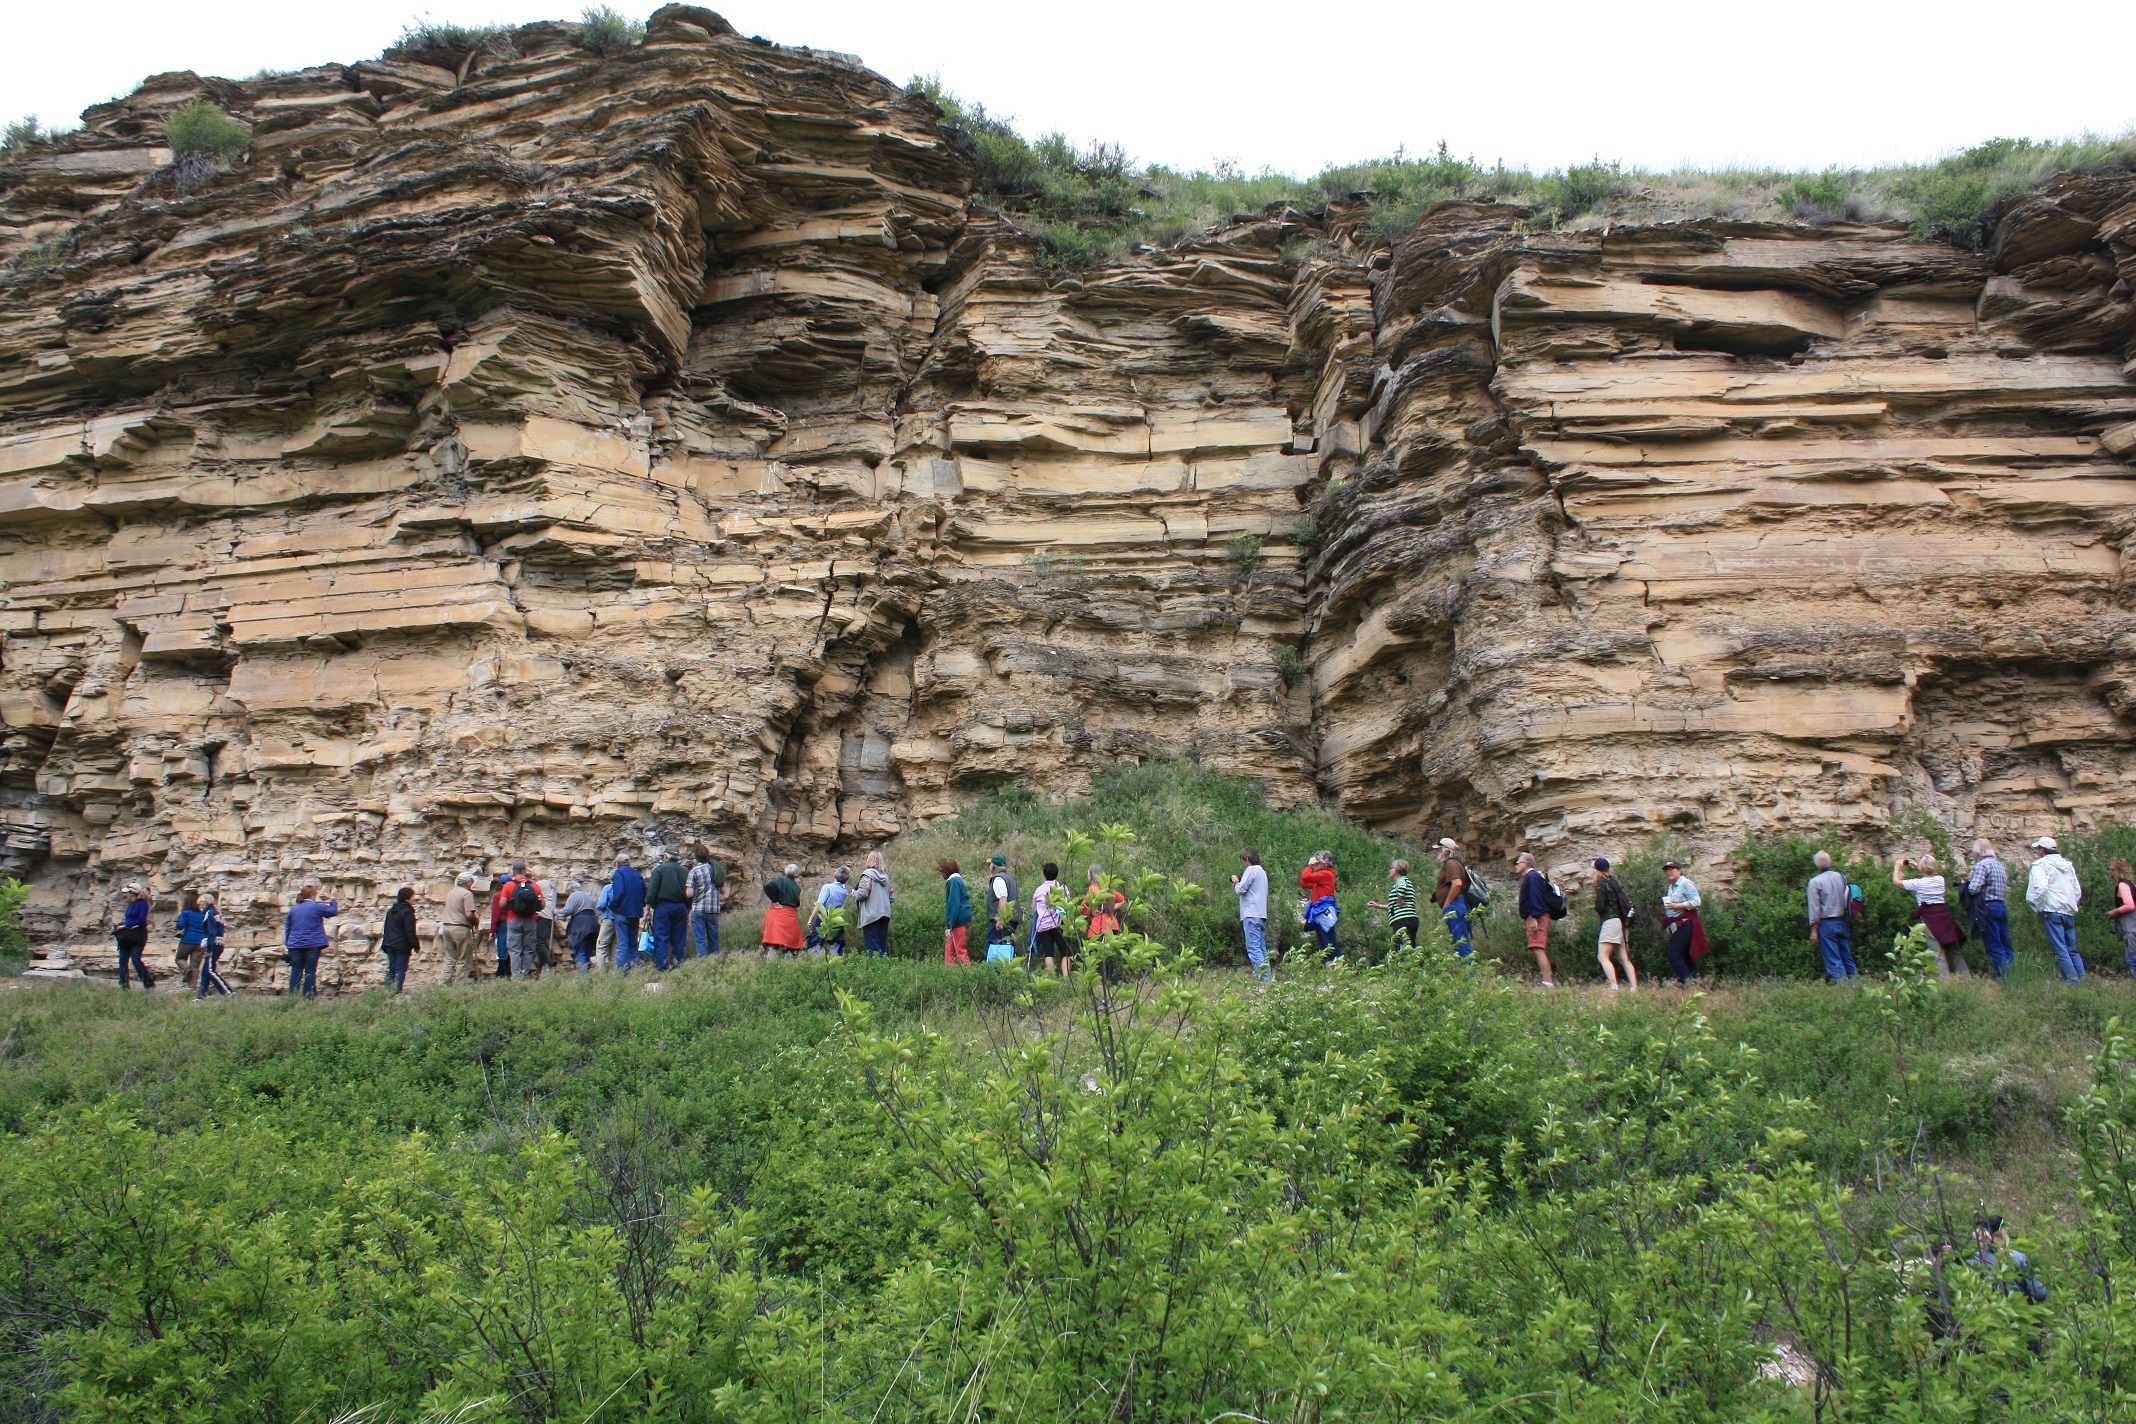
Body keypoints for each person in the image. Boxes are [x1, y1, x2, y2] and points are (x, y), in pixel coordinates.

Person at [1894, 854, 1970, 977]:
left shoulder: (1918, 883)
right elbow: (1929, 873)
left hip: (1929, 920)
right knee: (1954, 950)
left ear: (1922, 867)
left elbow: (1897, 882)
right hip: (1945, 917)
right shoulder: (1940, 880)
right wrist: (1920, 867)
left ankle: (1945, 981)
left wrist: (1897, 867)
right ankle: (1966, 978)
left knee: (1937, 953)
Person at [2024, 836, 2084, 983]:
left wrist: (2039, 907)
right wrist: (2071, 905)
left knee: (2060, 950)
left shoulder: (2040, 865)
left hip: (2051, 911)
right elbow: (2077, 890)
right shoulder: (2068, 866)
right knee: (2072, 950)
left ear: (2042, 850)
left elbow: (2041, 888)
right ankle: (2083, 982)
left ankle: (2072, 982)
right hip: (2068, 912)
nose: (2037, 852)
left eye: (2038, 849)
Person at [1965, 839, 2015, 980]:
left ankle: (2004, 978)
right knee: (2005, 944)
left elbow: (1974, 889)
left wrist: (1966, 885)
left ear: (1977, 854)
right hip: (2001, 906)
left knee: (1994, 945)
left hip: (1987, 908)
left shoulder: (1982, 865)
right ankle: (2014, 976)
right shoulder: (1999, 865)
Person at [1806, 850, 1857, 982]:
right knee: (1846, 956)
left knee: (1833, 959)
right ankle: (1855, 985)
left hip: (1826, 924)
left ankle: (1843, 987)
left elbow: (1814, 908)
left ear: (1816, 865)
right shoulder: (1840, 877)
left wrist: (1813, 930)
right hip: (1842, 921)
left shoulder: (1815, 882)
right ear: (1829, 862)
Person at [285, 885, 338, 998]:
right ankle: (308, 997)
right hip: (313, 944)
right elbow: (333, 911)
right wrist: (333, 898)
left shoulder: (294, 909)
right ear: (313, 895)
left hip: (295, 945)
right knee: (310, 971)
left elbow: (288, 929)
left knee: (296, 971)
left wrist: (288, 946)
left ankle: (292, 997)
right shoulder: (316, 907)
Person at [1592, 858, 1637, 990]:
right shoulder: (1614, 883)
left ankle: (1614, 986)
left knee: (1602, 956)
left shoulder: (1601, 884)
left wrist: (1597, 909)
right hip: (1621, 922)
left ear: (1597, 870)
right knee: (1624, 958)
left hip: (1610, 921)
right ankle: (1634, 988)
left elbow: (1599, 906)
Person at [1660, 860, 1706, 986]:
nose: (1669, 872)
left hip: (1686, 923)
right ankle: (1694, 983)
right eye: (1667, 870)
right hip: (1676, 925)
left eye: (1672, 869)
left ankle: (1688, 984)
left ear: (1679, 870)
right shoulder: (1671, 887)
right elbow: (1670, 910)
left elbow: (1696, 901)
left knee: (1674, 955)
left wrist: (1677, 906)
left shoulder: (1686, 883)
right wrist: (1669, 926)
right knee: (1685, 955)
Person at [1514, 852, 1556, 986]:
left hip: (1537, 917)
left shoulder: (1531, 877)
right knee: (1537, 947)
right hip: (1536, 916)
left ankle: (1548, 982)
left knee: (1538, 948)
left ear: (1526, 864)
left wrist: (1534, 917)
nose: (1516, 866)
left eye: (1518, 863)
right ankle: (1547, 981)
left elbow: (1535, 897)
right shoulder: (1533, 877)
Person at [1232, 848, 1272, 983]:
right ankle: (1267, 978)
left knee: (1254, 949)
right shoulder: (1262, 872)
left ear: (1247, 860)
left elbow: (1240, 889)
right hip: (1261, 914)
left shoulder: (1251, 870)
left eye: (1242, 861)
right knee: (1261, 948)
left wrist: (1236, 881)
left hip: (1251, 914)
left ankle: (1264, 980)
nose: (1243, 865)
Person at [499, 861, 544, 980]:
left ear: (513, 872)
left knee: (515, 949)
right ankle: (526, 974)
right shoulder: (534, 886)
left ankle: (516, 977)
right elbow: (542, 905)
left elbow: (502, 903)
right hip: (531, 920)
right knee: (528, 949)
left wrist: (511, 906)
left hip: (513, 919)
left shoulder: (509, 885)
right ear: (524, 871)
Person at [1367, 859, 1422, 954]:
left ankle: (1404, 963)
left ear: (1397, 869)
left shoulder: (1401, 881)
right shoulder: (1405, 881)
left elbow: (1402, 889)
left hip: (1402, 919)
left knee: (1401, 949)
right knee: (1411, 948)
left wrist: (1399, 901)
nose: (1390, 870)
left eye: (1391, 867)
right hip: (1410, 918)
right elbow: (1393, 906)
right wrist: (1378, 906)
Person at [647, 849, 690, 970]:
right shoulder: (685, 872)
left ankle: (662, 968)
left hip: (663, 907)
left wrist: (647, 908)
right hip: (681, 907)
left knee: (662, 938)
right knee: (679, 940)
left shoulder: (659, 869)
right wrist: (688, 910)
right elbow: (689, 892)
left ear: (666, 856)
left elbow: (652, 891)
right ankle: (679, 966)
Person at [1432, 838, 1473, 959]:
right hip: (1458, 905)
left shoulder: (1451, 864)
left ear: (1446, 851)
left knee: (1460, 942)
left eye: (1439, 849)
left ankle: (1468, 970)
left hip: (1455, 906)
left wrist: (1447, 903)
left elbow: (1457, 883)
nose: (1437, 852)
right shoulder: (1455, 863)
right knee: (1459, 940)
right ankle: (1466, 968)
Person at [440, 871, 483, 984]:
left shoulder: (451, 892)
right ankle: (460, 983)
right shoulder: (467, 894)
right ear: (467, 882)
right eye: (472, 881)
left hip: (447, 927)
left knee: (450, 958)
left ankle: (443, 983)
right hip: (460, 928)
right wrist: (476, 921)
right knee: (464, 958)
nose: (472, 883)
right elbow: (469, 914)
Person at [1031, 862, 1070, 975]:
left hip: (1043, 926)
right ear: (1057, 873)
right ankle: (1066, 978)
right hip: (1059, 924)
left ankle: (1052, 978)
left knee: (1048, 954)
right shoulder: (1062, 888)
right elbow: (1067, 905)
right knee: (1065, 953)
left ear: (1044, 874)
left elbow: (1034, 908)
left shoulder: (1039, 890)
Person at [1300, 851, 1339, 961]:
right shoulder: (1320, 878)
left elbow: (1305, 876)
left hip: (1325, 912)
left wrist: (1309, 865)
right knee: (1324, 945)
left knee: (1330, 942)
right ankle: (1329, 968)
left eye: (1316, 862)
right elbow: (1303, 882)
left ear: (1323, 863)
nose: (1314, 864)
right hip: (1319, 912)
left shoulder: (1326, 874)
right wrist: (1312, 868)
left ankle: (1338, 966)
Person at [760, 863, 805, 959]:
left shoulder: (781, 881)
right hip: (791, 917)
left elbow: (767, 885)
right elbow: (797, 903)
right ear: (796, 874)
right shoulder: (797, 888)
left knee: (774, 944)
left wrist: (775, 900)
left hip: (778, 915)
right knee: (792, 946)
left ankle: (771, 966)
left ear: (786, 871)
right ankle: (791, 966)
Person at [609, 854, 647, 967]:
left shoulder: (618, 873)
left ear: (617, 863)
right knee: (633, 944)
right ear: (629, 863)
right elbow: (645, 891)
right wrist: (641, 905)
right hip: (635, 914)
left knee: (622, 945)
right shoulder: (637, 874)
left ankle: (623, 972)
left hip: (622, 913)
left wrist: (612, 907)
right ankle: (636, 968)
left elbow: (619, 893)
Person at [114, 883, 153, 990]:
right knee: (122, 960)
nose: (125, 895)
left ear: (132, 893)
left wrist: (126, 925)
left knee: (135, 959)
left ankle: (148, 984)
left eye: (127, 893)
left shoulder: (143, 904)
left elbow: (142, 920)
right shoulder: (131, 904)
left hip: (137, 935)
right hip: (127, 936)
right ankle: (124, 985)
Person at [688, 845, 724, 959]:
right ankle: (715, 962)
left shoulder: (694, 871)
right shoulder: (715, 870)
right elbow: (723, 890)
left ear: (696, 857)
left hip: (699, 909)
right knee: (714, 940)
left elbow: (689, 893)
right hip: (713, 910)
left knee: (700, 940)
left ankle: (703, 963)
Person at [380, 885, 419, 993]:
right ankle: (397, 992)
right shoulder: (408, 911)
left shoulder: (391, 911)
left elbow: (386, 928)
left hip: (389, 943)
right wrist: (416, 945)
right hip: (401, 945)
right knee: (401, 969)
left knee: (392, 969)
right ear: (407, 898)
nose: (414, 899)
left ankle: (388, 992)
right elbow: (409, 931)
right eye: (412, 896)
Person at [983, 855, 1020, 963]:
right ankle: (1008, 971)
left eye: (990, 864)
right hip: (1011, 919)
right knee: (1007, 948)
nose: (989, 866)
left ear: (994, 866)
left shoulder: (998, 879)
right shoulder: (1009, 879)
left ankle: (994, 972)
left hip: (1003, 920)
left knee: (993, 947)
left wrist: (1001, 919)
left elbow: (1003, 898)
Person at [856, 852, 894, 957]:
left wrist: (854, 893)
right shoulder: (886, 878)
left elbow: (863, 893)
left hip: (871, 915)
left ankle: (874, 966)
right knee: (882, 946)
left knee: (872, 947)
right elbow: (891, 897)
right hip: (885, 914)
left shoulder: (867, 875)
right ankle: (882, 965)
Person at [195, 893, 231, 999]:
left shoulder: (209, 913)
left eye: (200, 902)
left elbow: (212, 932)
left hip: (214, 944)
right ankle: (201, 995)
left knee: (210, 970)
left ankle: (228, 992)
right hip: (218, 943)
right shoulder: (215, 913)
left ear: (206, 902)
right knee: (205, 971)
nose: (199, 905)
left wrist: (209, 949)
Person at [810, 868, 852, 955]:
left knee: (817, 942)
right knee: (835, 943)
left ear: (835, 875)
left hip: (824, 918)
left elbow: (820, 904)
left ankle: (817, 959)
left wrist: (810, 919)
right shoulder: (844, 892)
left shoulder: (827, 887)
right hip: (837, 919)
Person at [173, 889, 208, 993]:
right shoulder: (203, 914)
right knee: (195, 966)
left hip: (187, 940)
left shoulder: (186, 913)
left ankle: (186, 969)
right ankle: (192, 988)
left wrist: (177, 924)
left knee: (179, 958)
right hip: (201, 942)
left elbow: (180, 925)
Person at [559, 881, 598, 973]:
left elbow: (568, 910)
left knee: (580, 951)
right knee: (587, 952)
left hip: (581, 926)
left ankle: (583, 977)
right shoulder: (588, 897)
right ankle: (588, 975)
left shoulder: (574, 895)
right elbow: (596, 913)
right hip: (593, 925)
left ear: (571, 890)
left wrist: (556, 912)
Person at [941, 858, 972, 965]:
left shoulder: (953, 882)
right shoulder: (959, 880)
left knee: (960, 950)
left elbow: (954, 904)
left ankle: (969, 972)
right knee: (950, 947)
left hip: (959, 920)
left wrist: (949, 924)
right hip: (963, 917)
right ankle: (949, 970)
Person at [2110, 858, 2136, 977]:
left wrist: (2115, 911)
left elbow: (2130, 905)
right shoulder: (2131, 884)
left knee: (2132, 959)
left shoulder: (2123, 885)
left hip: (2131, 927)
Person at [487, 871, 513, 978]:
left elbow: (496, 914)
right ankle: (503, 973)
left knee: (502, 947)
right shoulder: (514, 894)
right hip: (514, 922)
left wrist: (492, 930)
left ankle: (504, 974)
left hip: (503, 923)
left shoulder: (498, 896)